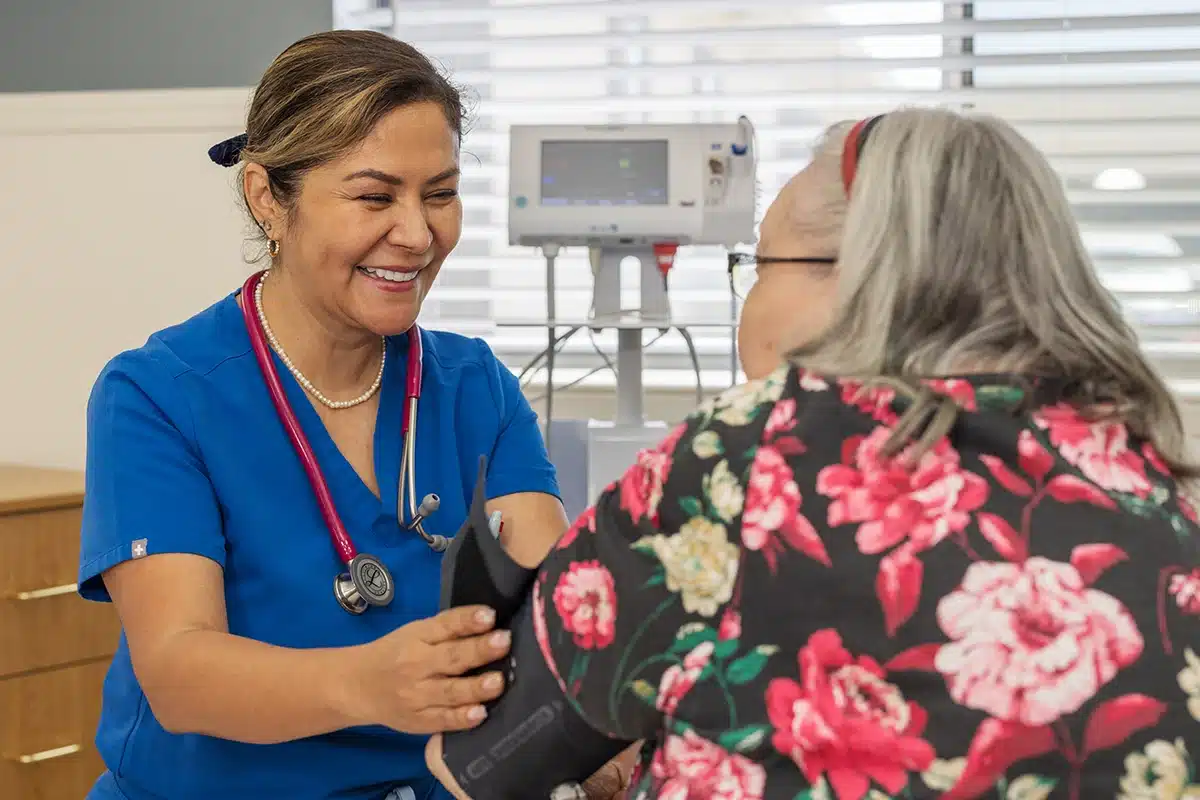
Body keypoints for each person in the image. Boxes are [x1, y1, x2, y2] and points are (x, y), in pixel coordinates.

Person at [426, 107, 1200, 800]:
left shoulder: (744, 457)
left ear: (861, 278)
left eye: (759, 267)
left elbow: (487, 766)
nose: (750, 301)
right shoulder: (1157, 478)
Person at [75, 30, 627, 800]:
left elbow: (555, 626)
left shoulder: (473, 388)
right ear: (268, 197)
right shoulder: (160, 396)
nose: (416, 233)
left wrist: (593, 739)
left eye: (439, 193)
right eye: (374, 197)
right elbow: (178, 672)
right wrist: (369, 683)